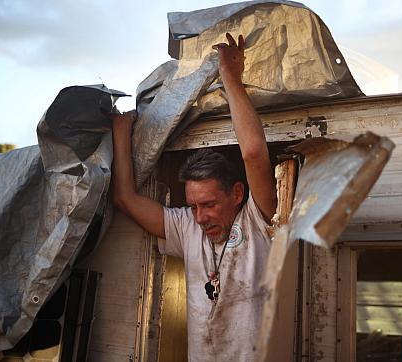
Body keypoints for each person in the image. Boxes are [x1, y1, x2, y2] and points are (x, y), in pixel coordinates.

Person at [111, 33, 277, 362]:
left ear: (237, 194)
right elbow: (124, 198)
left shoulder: (258, 218)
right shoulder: (188, 227)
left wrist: (230, 75)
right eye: (193, 206)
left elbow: (254, 153)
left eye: (210, 205)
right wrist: (120, 130)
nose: (200, 217)